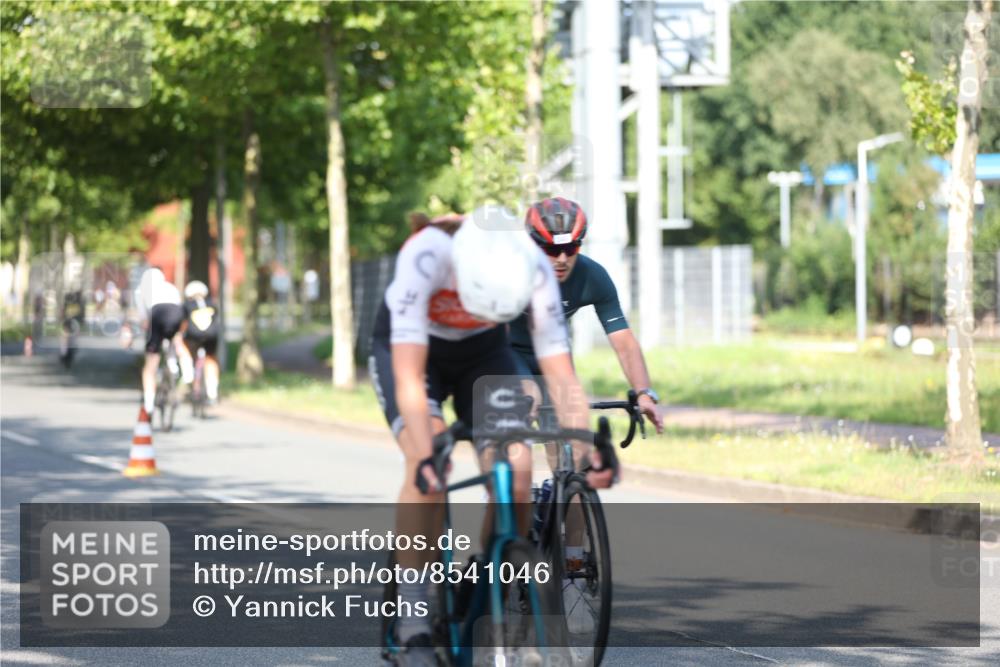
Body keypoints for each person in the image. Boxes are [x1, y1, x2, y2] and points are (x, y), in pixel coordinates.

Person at [369, 206, 613, 665]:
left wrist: (585, 447)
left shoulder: (534, 265)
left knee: (518, 472)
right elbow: (406, 379)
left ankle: (488, 581)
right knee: (428, 468)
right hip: (412, 349)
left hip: (484, 354)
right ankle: (413, 612)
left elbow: (561, 375)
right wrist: (426, 454)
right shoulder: (426, 255)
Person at [511, 196, 664, 432]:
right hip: (509, 350)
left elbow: (624, 342)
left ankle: (570, 469)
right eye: (552, 249)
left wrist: (644, 393)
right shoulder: (510, 273)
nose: (562, 259)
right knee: (529, 399)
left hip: (553, 352)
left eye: (570, 248)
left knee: (573, 431)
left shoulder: (591, 276)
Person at [132, 268, 191, 416]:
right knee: (176, 340)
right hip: (176, 312)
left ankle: (149, 403)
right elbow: (179, 307)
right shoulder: (171, 287)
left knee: (151, 362)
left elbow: (144, 319)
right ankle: (178, 367)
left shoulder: (141, 291)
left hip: (157, 314)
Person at [182, 280, 221, 405]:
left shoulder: (187, 305)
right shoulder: (212, 304)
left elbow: (183, 323)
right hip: (211, 337)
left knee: (185, 350)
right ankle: (212, 391)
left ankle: (188, 375)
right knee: (211, 359)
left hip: (193, 337)